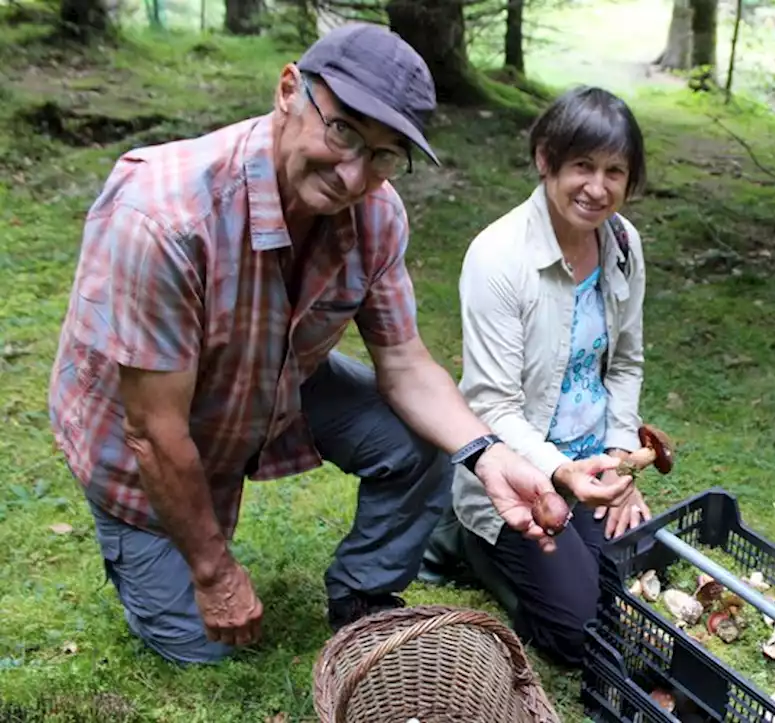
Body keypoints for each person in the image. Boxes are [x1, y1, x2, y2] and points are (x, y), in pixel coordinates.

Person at [47, 24, 631, 666]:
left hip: (275, 379)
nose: (355, 174)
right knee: (200, 648)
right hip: (148, 433)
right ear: (289, 89)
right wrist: (214, 574)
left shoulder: (377, 214)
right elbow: (153, 430)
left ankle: (361, 598)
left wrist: (488, 456)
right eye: (343, 131)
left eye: (383, 155)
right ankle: (165, 558)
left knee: (422, 442)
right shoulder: (163, 217)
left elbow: (405, 363)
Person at [448, 85, 651, 667]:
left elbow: (628, 363)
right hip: (520, 475)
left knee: (642, 595)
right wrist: (562, 471)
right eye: (582, 165)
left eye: (615, 171)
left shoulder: (623, 244)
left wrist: (618, 463)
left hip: (593, 464)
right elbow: (492, 405)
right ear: (545, 160)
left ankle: (569, 559)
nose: (598, 187)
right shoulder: (497, 257)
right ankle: (476, 546)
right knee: (582, 635)